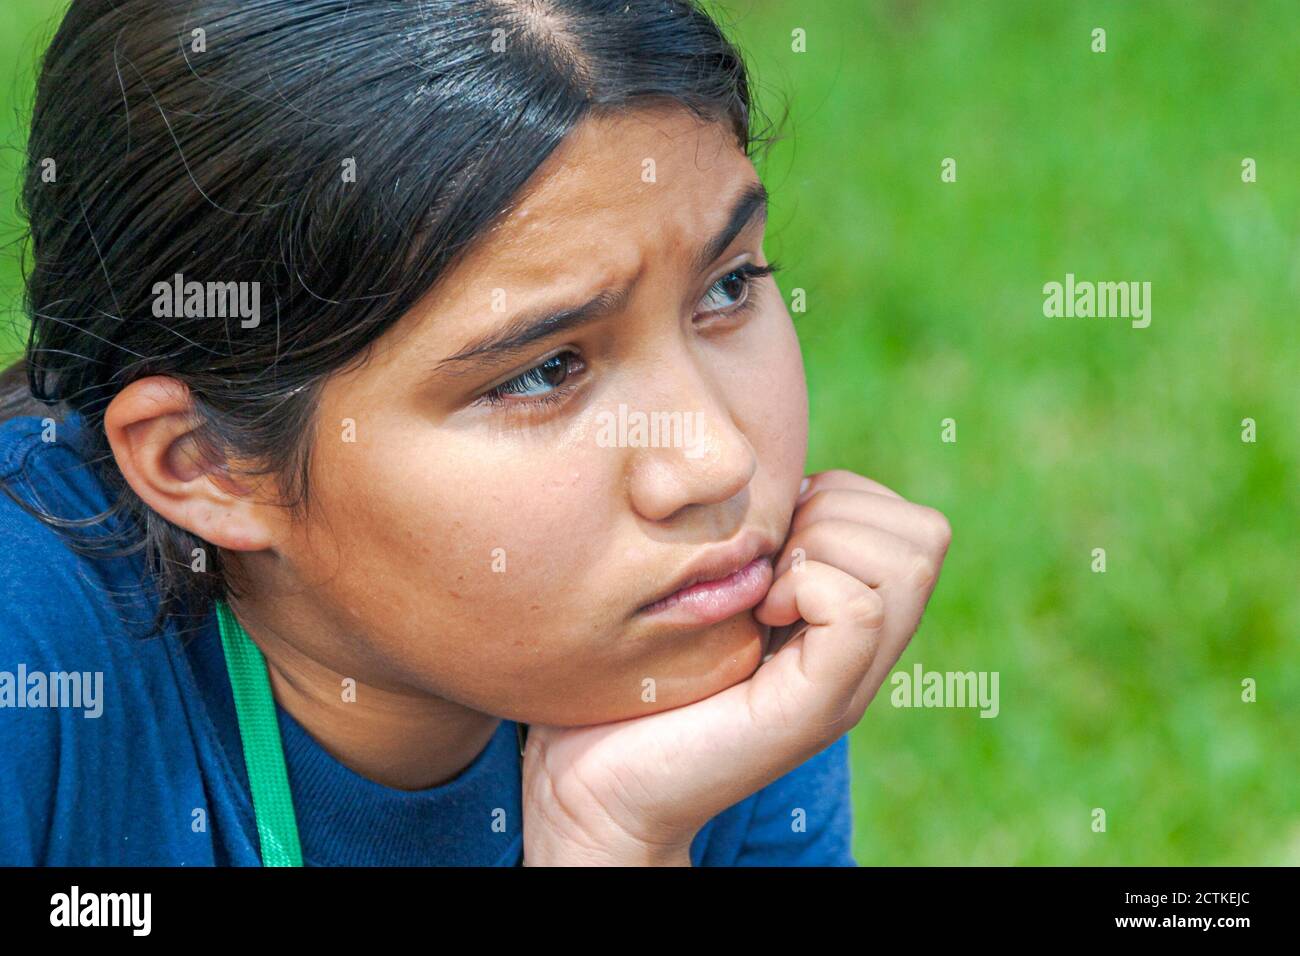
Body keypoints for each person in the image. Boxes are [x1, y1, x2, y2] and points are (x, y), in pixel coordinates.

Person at [0, 0, 950, 866]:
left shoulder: (715, 642)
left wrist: (619, 839)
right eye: (543, 371)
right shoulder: (32, 676)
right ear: (205, 461)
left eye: (728, 287)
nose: (717, 462)